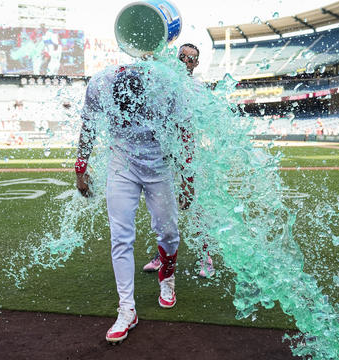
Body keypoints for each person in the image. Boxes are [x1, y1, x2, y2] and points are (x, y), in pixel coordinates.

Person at [75, 64, 191, 344]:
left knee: (169, 231)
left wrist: (188, 178)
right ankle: (126, 309)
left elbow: (184, 130)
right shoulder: (101, 83)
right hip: (122, 163)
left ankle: (167, 276)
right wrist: (80, 167)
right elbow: (89, 124)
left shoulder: (166, 86)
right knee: (120, 237)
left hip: (159, 163)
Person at [142, 43, 215, 278]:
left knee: (198, 208)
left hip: (191, 154)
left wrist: (191, 161)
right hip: (165, 154)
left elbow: (200, 124)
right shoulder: (165, 83)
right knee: (163, 208)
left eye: (191, 59)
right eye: (182, 57)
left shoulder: (198, 88)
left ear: (197, 63)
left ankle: (206, 256)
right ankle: (161, 255)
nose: (186, 61)